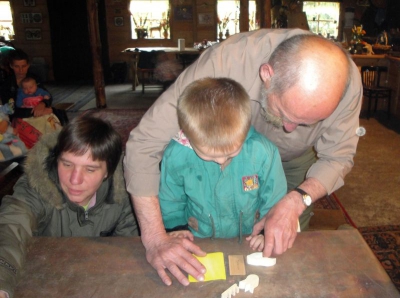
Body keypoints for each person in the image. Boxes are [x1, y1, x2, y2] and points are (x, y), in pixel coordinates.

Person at [123, 28, 362, 286]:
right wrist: (158, 238)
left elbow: (338, 158)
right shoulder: (224, 61)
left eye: (308, 123)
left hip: (298, 161)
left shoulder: (346, 84)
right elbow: (143, 145)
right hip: (226, 149)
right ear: (267, 74)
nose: (289, 129)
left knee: (281, 247)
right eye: (286, 114)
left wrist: (296, 200)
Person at [0, 116, 139, 298]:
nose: (75, 180)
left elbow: (127, 251)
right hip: (44, 281)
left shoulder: (124, 194)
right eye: (67, 164)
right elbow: (11, 227)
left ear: (108, 172)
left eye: (89, 169)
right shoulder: (37, 186)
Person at [159, 78, 287, 251]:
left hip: (251, 238)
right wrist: (175, 227)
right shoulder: (176, 155)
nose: (220, 160)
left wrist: (267, 230)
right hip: (198, 237)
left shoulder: (263, 152)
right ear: (189, 136)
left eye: (230, 153)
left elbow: (274, 198)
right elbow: (171, 197)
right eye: (209, 154)